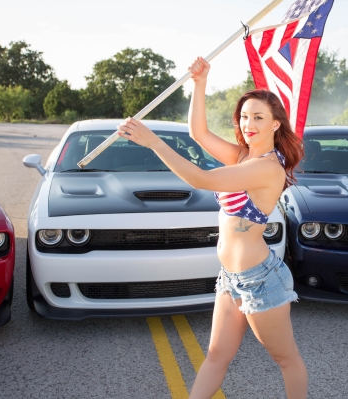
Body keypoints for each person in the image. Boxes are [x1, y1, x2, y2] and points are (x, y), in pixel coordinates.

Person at [117, 56, 307, 399]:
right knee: (217, 355)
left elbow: (201, 179)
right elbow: (198, 133)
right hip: (231, 278)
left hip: (261, 279)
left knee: (285, 359)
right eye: (244, 116)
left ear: (277, 124)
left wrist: (155, 142)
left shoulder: (266, 168)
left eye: (259, 117)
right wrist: (201, 83)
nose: (248, 123)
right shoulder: (242, 157)